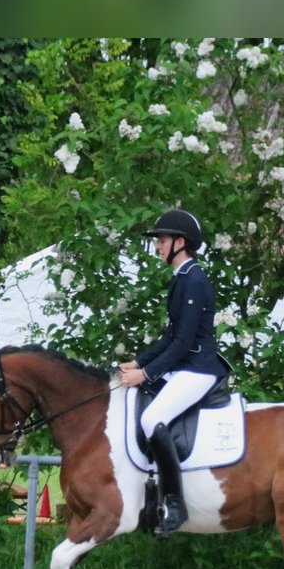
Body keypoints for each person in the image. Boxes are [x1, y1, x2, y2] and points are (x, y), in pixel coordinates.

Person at [118, 209, 227, 537]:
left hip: (199, 369)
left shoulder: (194, 280)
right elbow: (169, 336)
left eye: (162, 241)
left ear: (181, 243)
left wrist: (147, 375)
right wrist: (138, 362)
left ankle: (176, 504)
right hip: (185, 366)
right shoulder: (182, 278)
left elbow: (181, 344)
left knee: (151, 420)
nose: (158, 247)